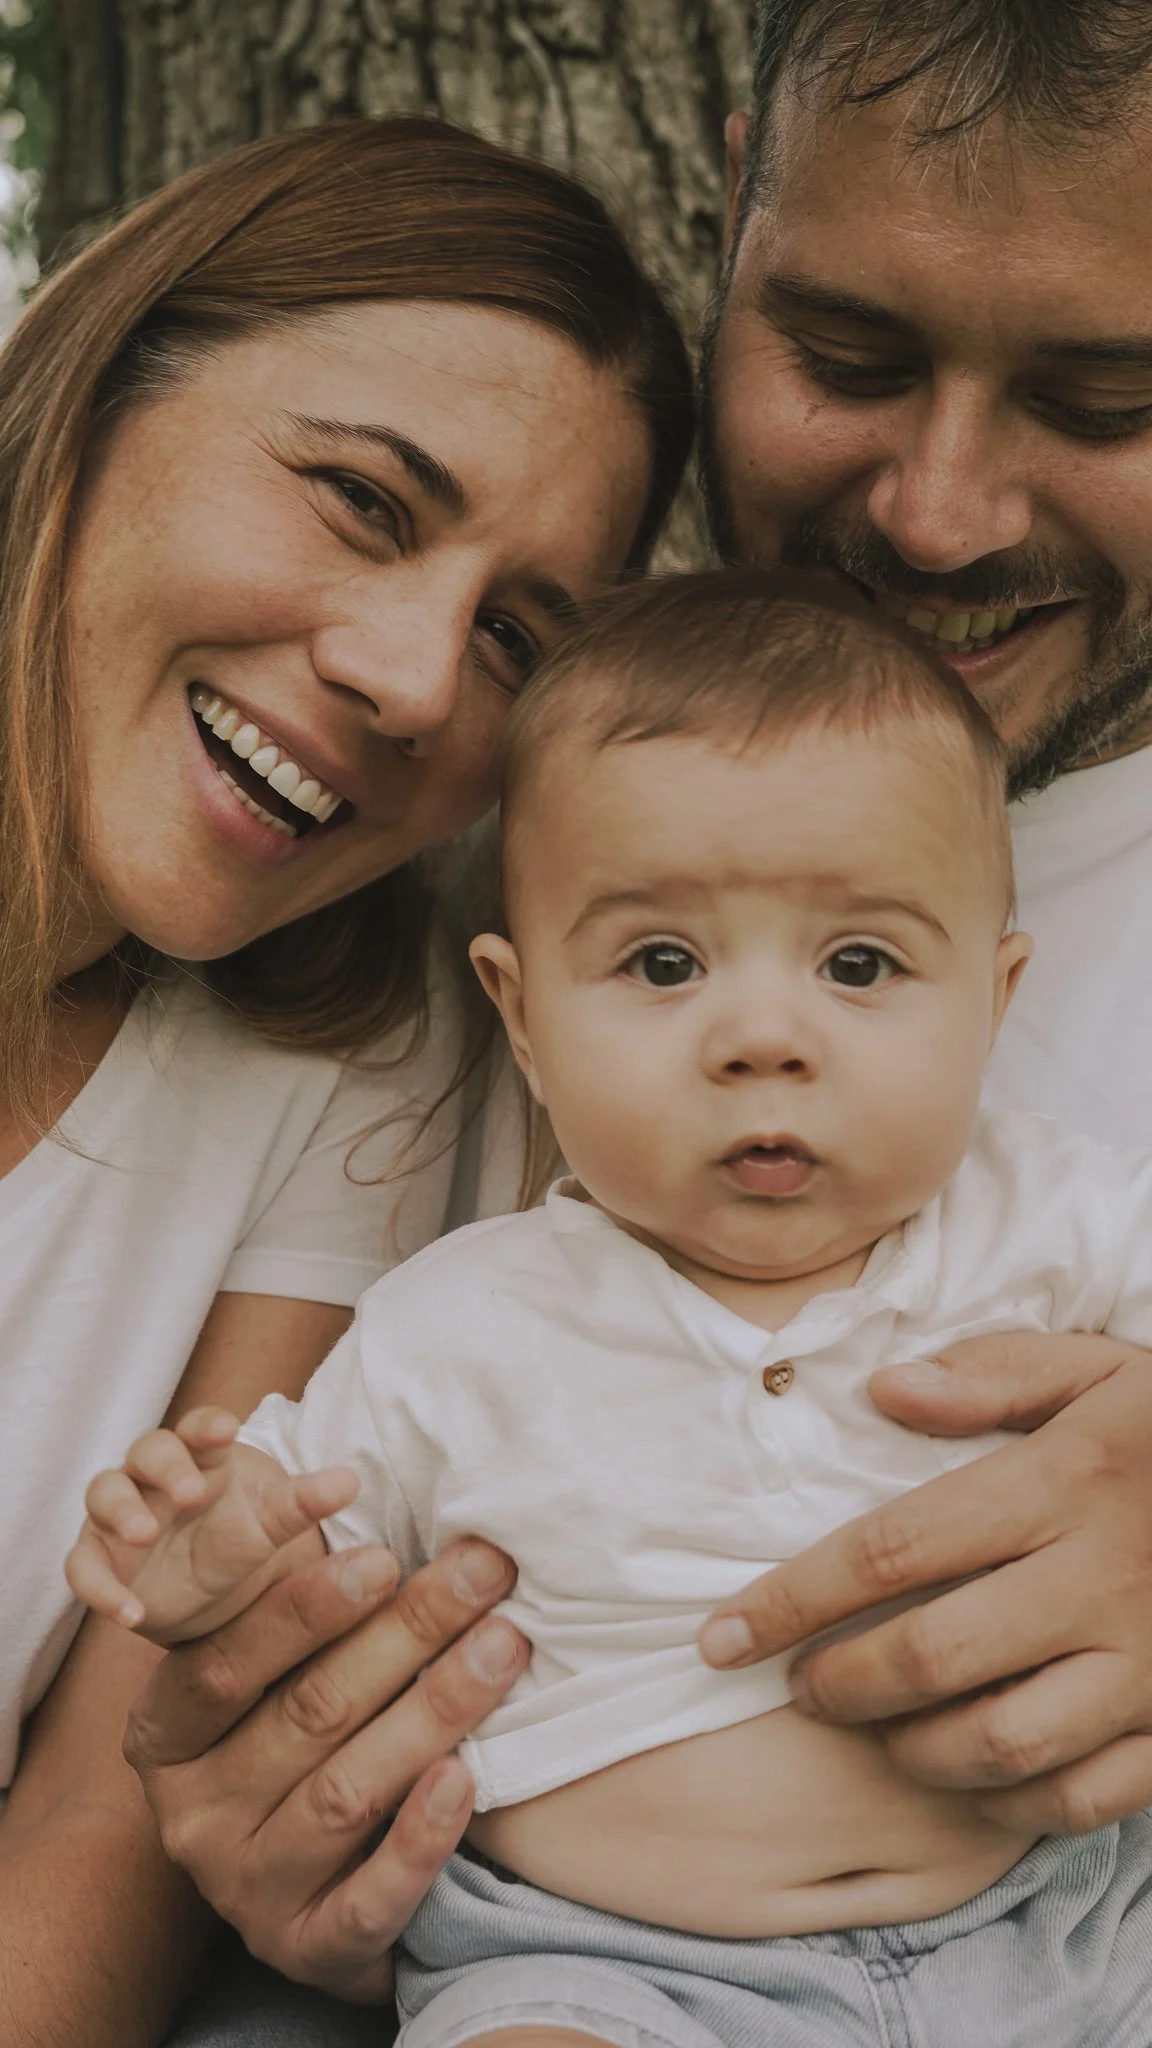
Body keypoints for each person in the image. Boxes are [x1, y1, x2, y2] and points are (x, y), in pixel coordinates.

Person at [121, 0, 1152, 2029]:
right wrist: (279, 1787)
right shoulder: (432, 800)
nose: (937, 513)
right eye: (846, 358)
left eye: (1108, 397)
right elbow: (260, 1600)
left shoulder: (1054, 1206)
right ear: (737, 209)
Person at [74, 571, 1152, 2048]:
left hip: (1068, 1923)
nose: (762, 1038)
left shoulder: (1052, 1218)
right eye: (662, 963)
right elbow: (307, 1540)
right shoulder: (461, 1321)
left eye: (859, 965)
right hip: (603, 1967)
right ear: (523, 1016)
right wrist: (212, 1545)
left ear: (996, 997)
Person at [0, 113, 694, 2048]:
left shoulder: (354, 1063)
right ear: (101, 392)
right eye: (365, 502)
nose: (414, 676)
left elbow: (91, 1841)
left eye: (515, 637)